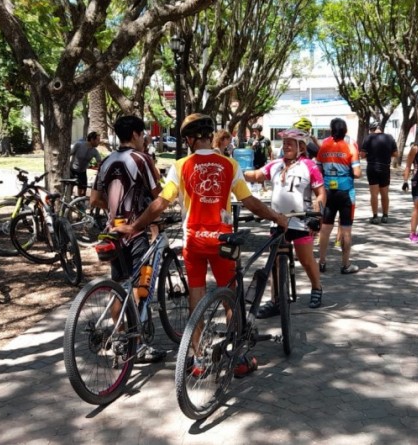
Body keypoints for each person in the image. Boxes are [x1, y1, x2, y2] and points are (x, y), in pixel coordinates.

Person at [113, 113, 288, 378]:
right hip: (223, 242)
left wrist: (135, 226)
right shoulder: (229, 164)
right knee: (232, 296)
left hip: (193, 241)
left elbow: (161, 203)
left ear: (190, 139)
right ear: (209, 136)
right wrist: (276, 217)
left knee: (196, 297)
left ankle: (199, 359)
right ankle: (238, 357)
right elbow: (250, 201)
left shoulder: (181, 165)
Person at [89, 115, 165, 363]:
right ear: (134, 134)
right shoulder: (141, 159)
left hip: (113, 231)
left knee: (119, 286)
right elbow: (159, 197)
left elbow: (94, 199)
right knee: (139, 287)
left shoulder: (106, 161)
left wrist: (114, 213)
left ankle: (121, 340)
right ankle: (139, 345)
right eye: (142, 134)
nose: (144, 139)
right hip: (136, 231)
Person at [244, 128, 327, 311]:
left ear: (301, 147)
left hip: (301, 221)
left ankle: (316, 288)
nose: (286, 146)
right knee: (275, 262)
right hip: (278, 220)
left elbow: (321, 193)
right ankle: (276, 300)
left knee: (305, 259)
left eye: (291, 143)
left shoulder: (309, 166)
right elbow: (257, 175)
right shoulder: (276, 165)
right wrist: (237, 172)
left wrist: (318, 213)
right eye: (285, 143)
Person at [316, 118, 361, 274]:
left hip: (328, 192)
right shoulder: (350, 148)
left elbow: (318, 171)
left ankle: (321, 262)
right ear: (345, 131)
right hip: (346, 192)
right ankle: (345, 264)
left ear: (331, 130)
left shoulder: (323, 147)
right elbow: (357, 173)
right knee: (346, 229)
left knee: (325, 228)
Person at [361, 122, 399, 224]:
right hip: (385, 168)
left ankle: (375, 216)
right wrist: (386, 155)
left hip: (372, 167)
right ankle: (385, 215)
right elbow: (396, 153)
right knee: (385, 193)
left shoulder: (368, 138)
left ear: (371, 129)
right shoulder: (390, 138)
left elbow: (362, 155)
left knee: (374, 194)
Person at [69, 131, 102, 197]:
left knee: (83, 191)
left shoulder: (95, 151)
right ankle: (68, 203)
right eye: (97, 140)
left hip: (82, 172)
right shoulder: (78, 145)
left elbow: (100, 162)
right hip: (72, 170)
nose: (99, 142)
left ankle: (80, 204)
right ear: (92, 139)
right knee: (69, 189)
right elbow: (69, 154)